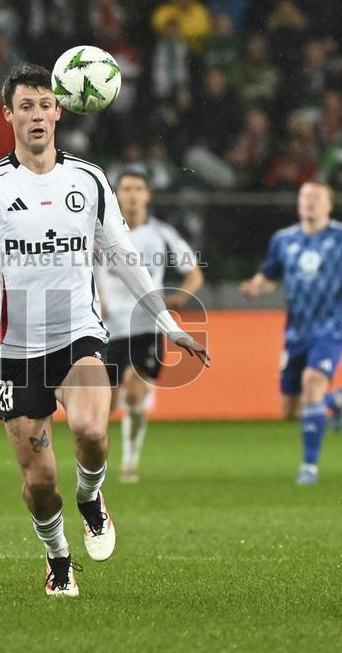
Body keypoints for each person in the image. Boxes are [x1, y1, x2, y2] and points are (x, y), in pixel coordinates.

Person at [0, 63, 209, 597]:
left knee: (92, 430)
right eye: (26, 106)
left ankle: (92, 497)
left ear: (59, 110)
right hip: (15, 350)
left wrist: (166, 320)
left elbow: (122, 254)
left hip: (78, 336)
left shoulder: (88, 180)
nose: (37, 114)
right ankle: (58, 559)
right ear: (9, 115)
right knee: (39, 483)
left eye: (45, 104)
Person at [242, 181, 342, 485]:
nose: (309, 202)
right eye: (305, 197)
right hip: (296, 332)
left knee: (312, 382)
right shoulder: (283, 240)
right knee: (290, 410)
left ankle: (309, 467)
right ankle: (331, 402)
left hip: (330, 328)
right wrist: (257, 286)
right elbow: (270, 275)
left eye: (316, 198)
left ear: (329, 205)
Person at [94, 171, 204, 484]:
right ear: (116, 195)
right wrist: (95, 300)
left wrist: (177, 299)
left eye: (138, 188)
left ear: (147, 196)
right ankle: (97, 463)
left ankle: (129, 461)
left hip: (147, 324)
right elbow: (84, 270)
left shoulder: (162, 233)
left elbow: (193, 273)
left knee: (134, 388)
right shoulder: (100, 233)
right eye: (126, 188)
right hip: (109, 327)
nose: (131, 194)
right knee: (106, 403)